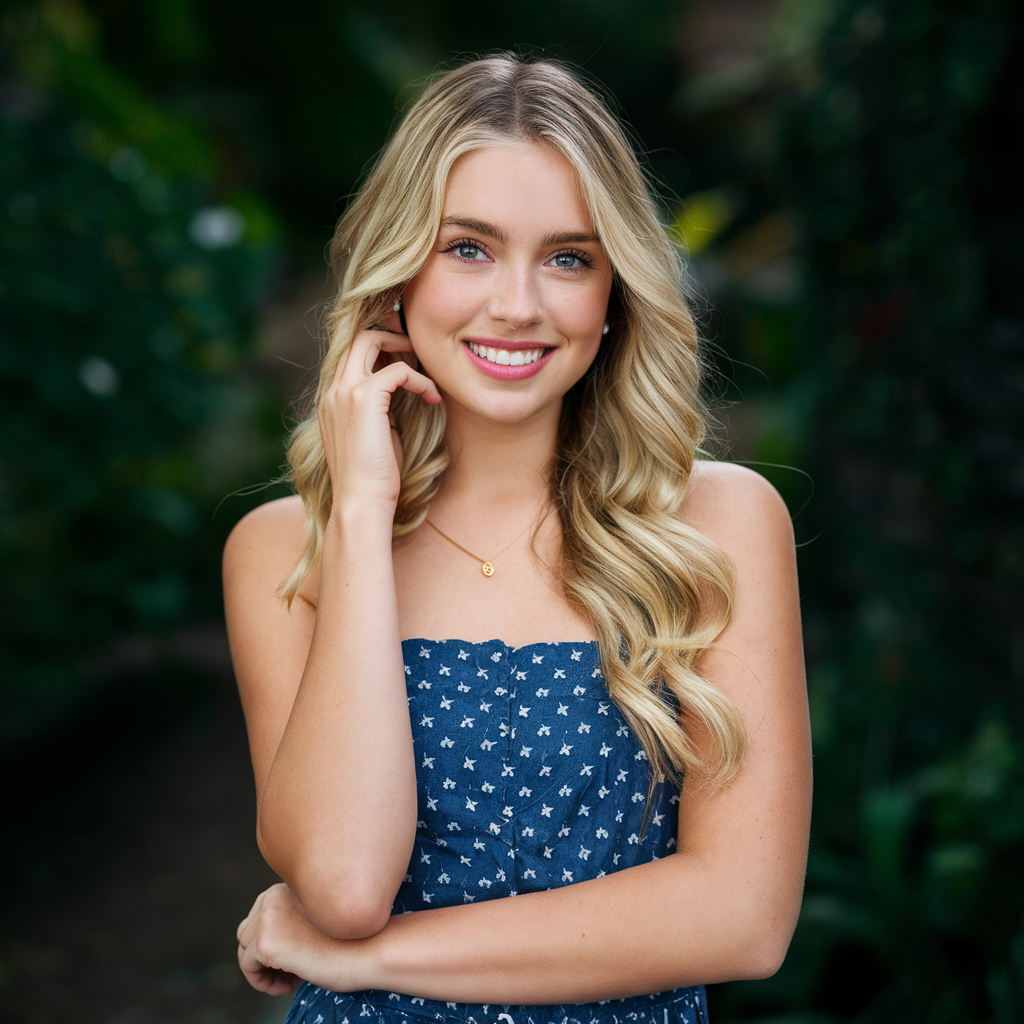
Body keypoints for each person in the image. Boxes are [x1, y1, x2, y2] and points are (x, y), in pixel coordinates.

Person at [223, 54, 811, 1024]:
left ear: (615, 290)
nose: (518, 305)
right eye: (469, 248)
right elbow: (344, 884)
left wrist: (371, 960)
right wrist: (363, 513)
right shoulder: (285, 549)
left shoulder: (718, 526)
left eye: (568, 258)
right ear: (397, 270)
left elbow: (742, 918)